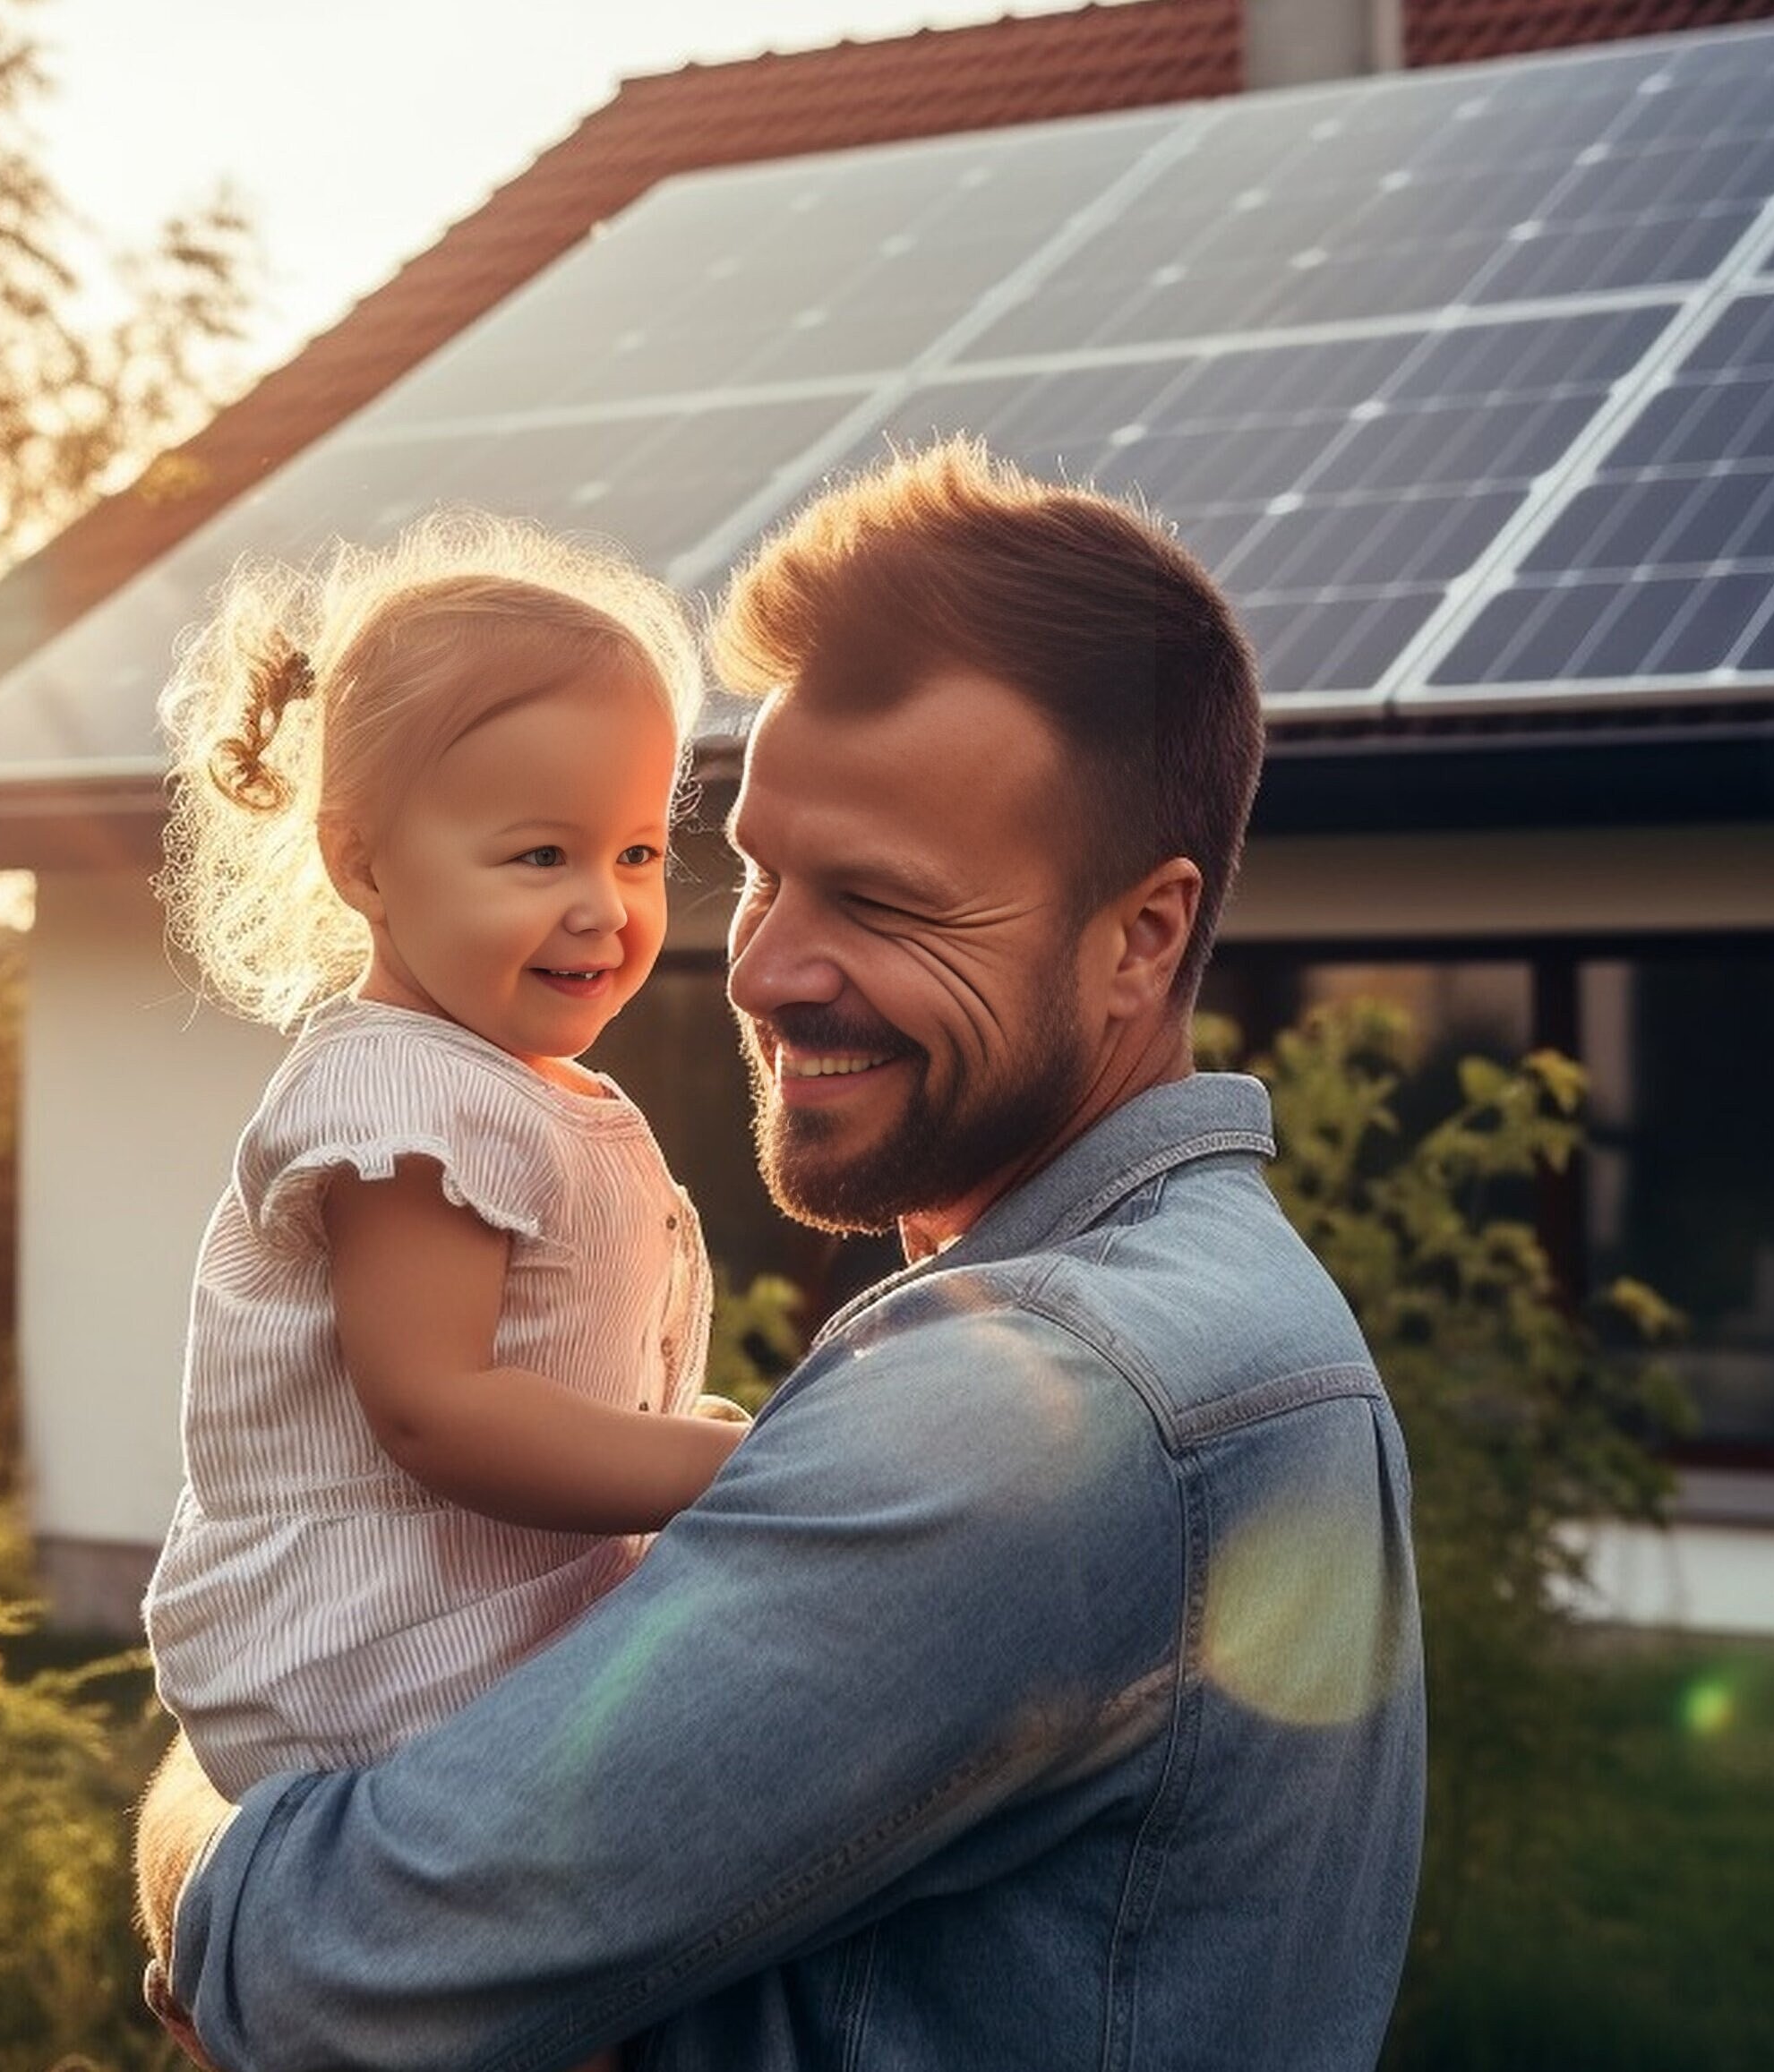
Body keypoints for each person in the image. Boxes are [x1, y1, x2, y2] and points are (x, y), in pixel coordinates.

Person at [136, 438, 1427, 2071]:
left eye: (884, 901)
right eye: (755, 869)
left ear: (1141, 935)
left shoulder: (1041, 1408)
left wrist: (202, 1808)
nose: (760, 971)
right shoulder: (1225, 1311)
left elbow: (327, 1976)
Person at [142, 515, 752, 1827]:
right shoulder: (401, 1096)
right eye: (541, 854)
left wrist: (668, 1439)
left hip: (462, 1631)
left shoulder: (512, 1084)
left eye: (635, 851)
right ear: (360, 859)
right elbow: (437, 1408)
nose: (605, 903)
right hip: (375, 1652)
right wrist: (708, 1474)